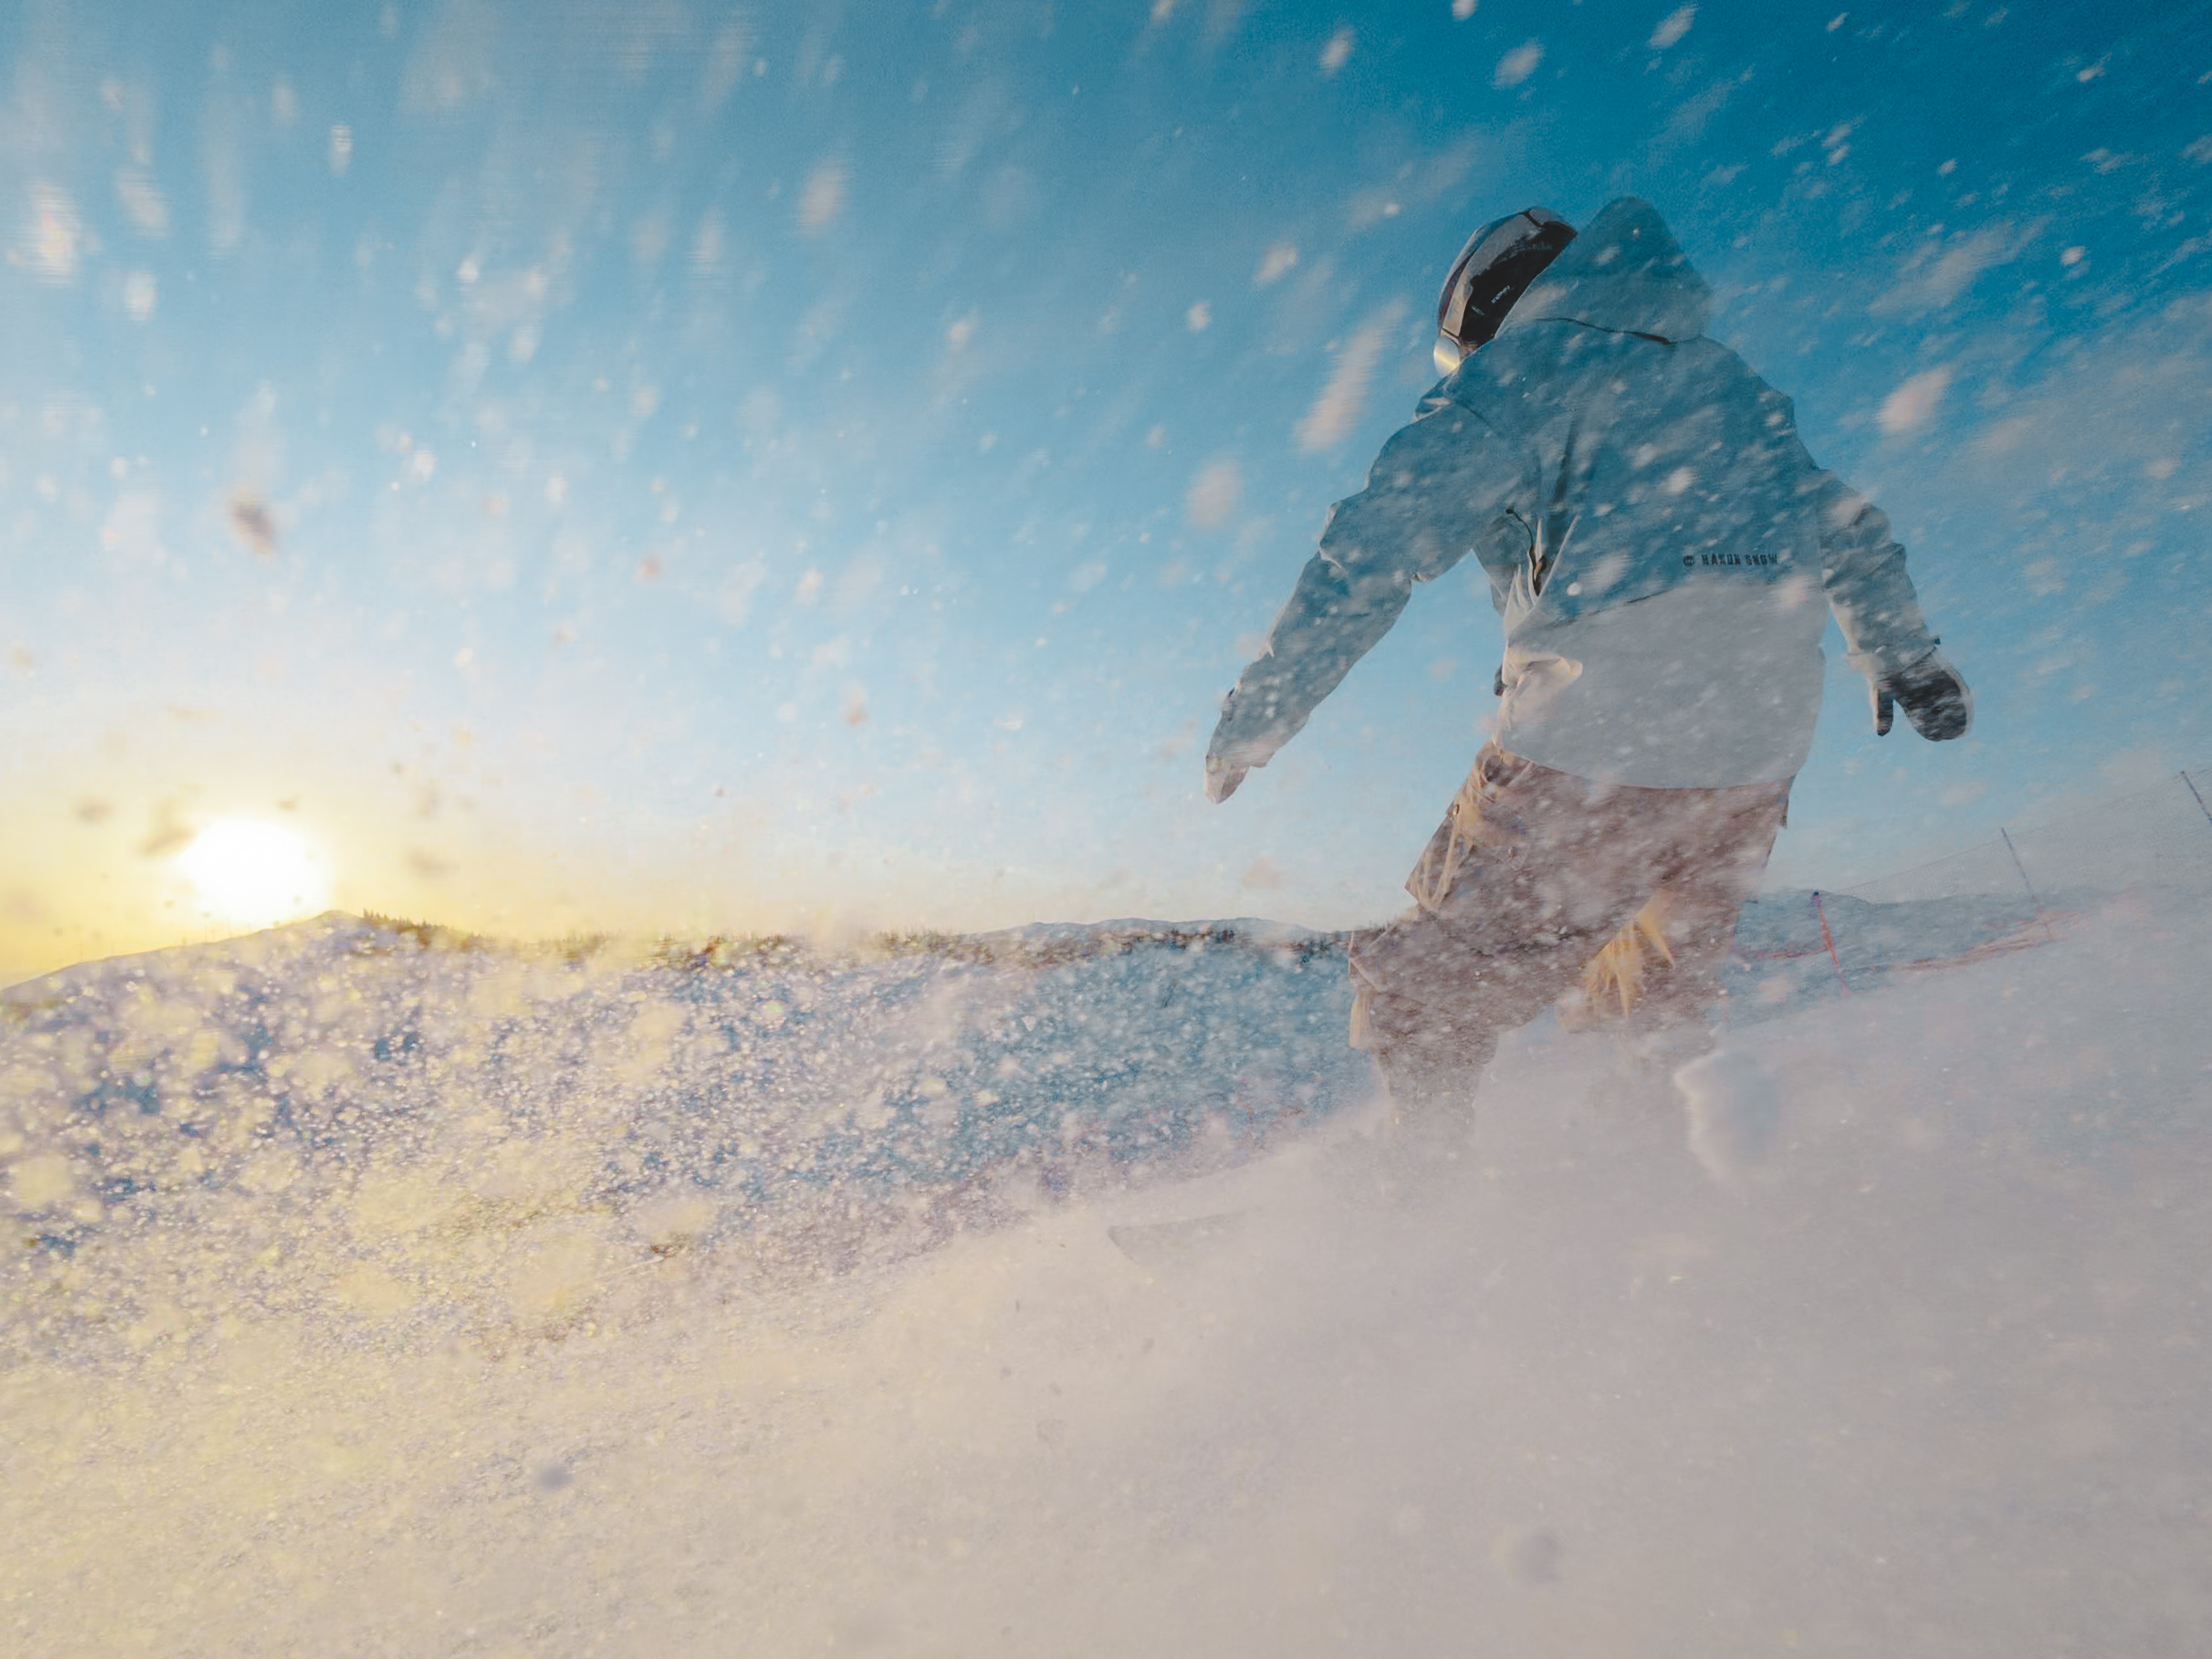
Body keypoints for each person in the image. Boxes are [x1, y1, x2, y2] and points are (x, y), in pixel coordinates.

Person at [1203, 198, 1970, 1118]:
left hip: (1599, 732)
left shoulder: (1519, 373)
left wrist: (1260, 713)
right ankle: (1660, 1181)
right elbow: (1852, 537)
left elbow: (1372, 549)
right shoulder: (1734, 388)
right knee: (1655, 999)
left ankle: (1411, 1204)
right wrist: (1907, 660)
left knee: (1420, 998)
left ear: (1483, 305)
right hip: (1756, 752)